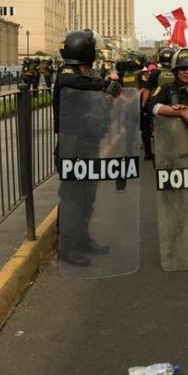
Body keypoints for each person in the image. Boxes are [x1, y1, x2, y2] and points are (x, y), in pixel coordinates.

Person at [53, 29, 122, 267]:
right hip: (72, 147)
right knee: (72, 198)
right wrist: (104, 84)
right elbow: (69, 83)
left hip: (88, 143)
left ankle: (83, 239)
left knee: (86, 197)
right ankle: (68, 247)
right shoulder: (68, 73)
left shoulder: (86, 75)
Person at [140, 47, 174, 161]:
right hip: (176, 106)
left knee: (156, 132)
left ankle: (155, 154)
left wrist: (144, 105)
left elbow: (147, 90)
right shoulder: (177, 71)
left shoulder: (155, 73)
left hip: (159, 107)